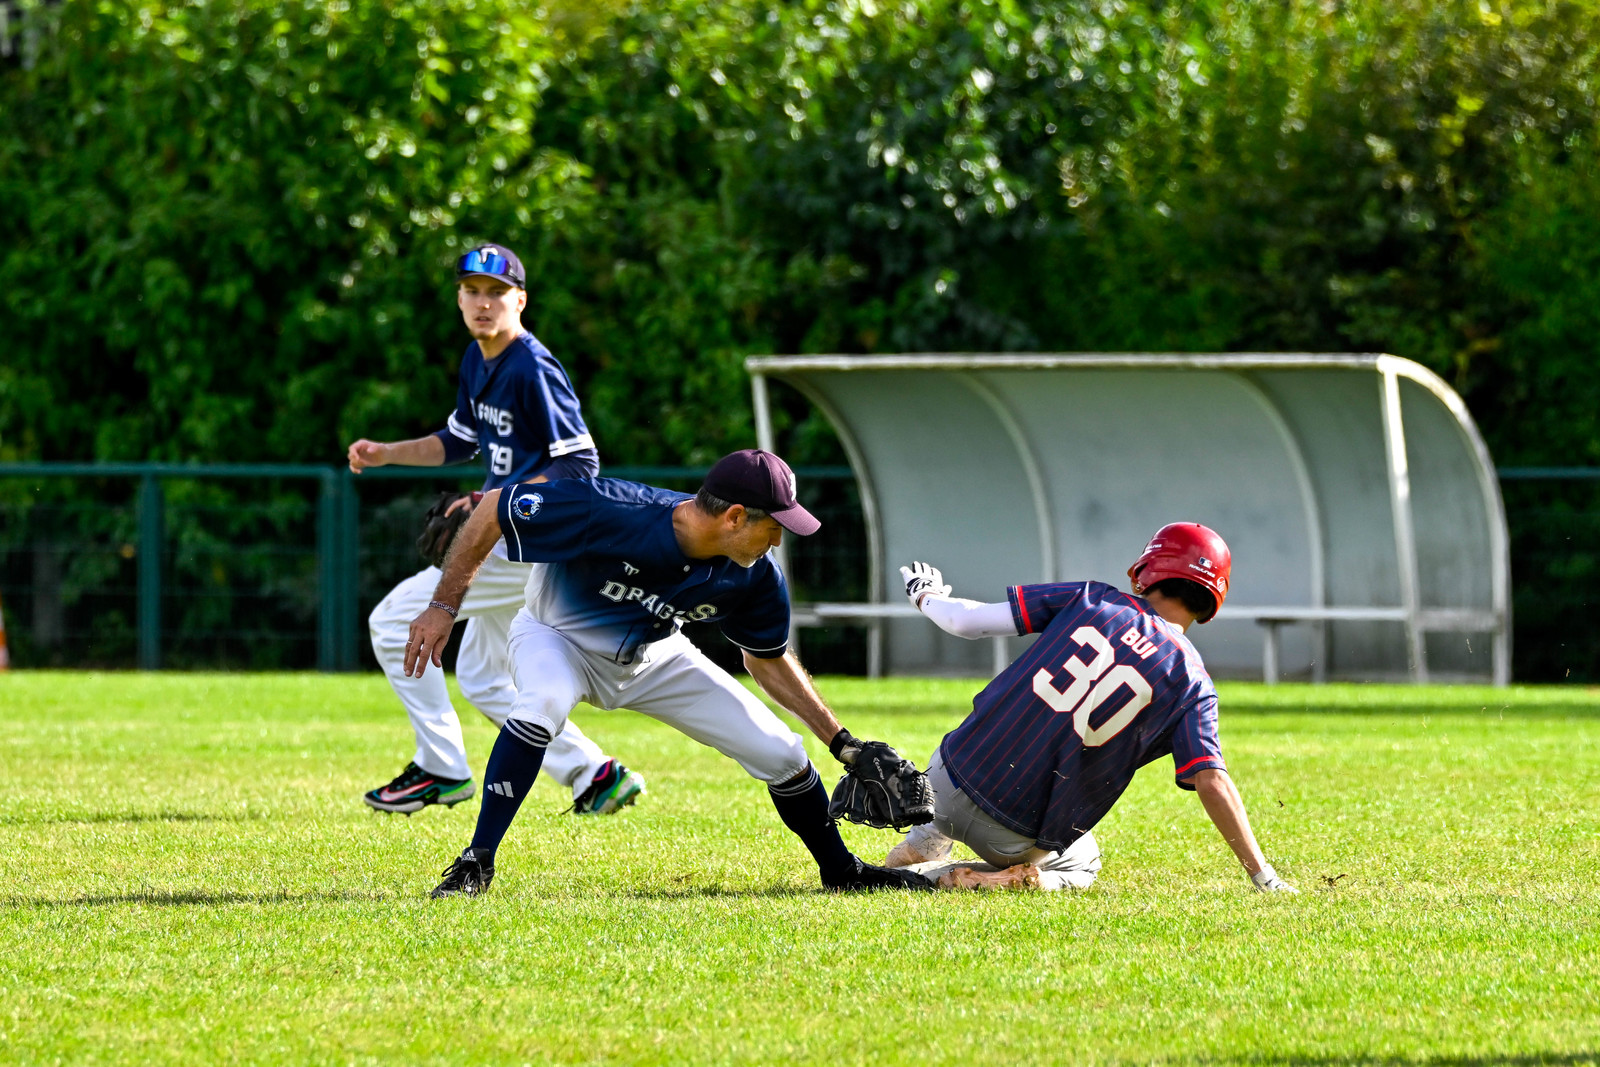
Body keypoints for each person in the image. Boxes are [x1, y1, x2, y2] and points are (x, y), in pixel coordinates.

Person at [404, 448, 935, 897]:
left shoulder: (754, 577)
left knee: (783, 752)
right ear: (733, 517)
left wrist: (841, 742)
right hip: (555, 638)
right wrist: (443, 607)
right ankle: (477, 861)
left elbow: (765, 659)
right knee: (540, 704)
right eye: (773, 527)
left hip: (655, 658)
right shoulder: (611, 509)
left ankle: (840, 872)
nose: (776, 542)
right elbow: (497, 506)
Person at [348, 243, 644, 818]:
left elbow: (580, 462)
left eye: (496, 292)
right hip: (504, 535)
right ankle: (594, 775)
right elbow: (457, 441)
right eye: (472, 291)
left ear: (520, 300)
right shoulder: (477, 360)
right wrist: (386, 453)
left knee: (392, 623)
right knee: (485, 677)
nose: (483, 303)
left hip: (528, 541)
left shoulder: (532, 366)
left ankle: (440, 768)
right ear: (460, 298)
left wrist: (496, 497)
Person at [882, 523, 1298, 894]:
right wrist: (1263, 875)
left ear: (1150, 570)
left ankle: (924, 842)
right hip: (1012, 833)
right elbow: (1211, 780)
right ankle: (956, 877)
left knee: (970, 770)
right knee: (1085, 864)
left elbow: (965, 622)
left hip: (943, 780)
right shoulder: (1192, 683)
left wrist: (926, 594)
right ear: (1212, 598)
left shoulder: (1092, 598)